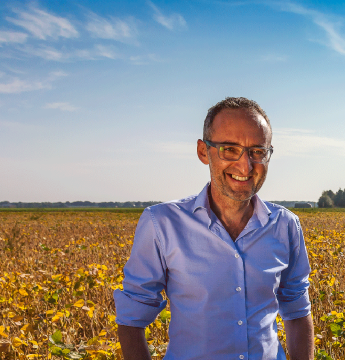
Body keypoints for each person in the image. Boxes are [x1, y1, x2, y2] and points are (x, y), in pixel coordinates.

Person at [114, 97, 314, 360]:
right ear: (202, 151)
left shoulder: (286, 225)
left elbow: (297, 312)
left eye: (257, 151)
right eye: (230, 149)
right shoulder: (161, 224)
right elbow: (131, 319)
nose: (245, 166)